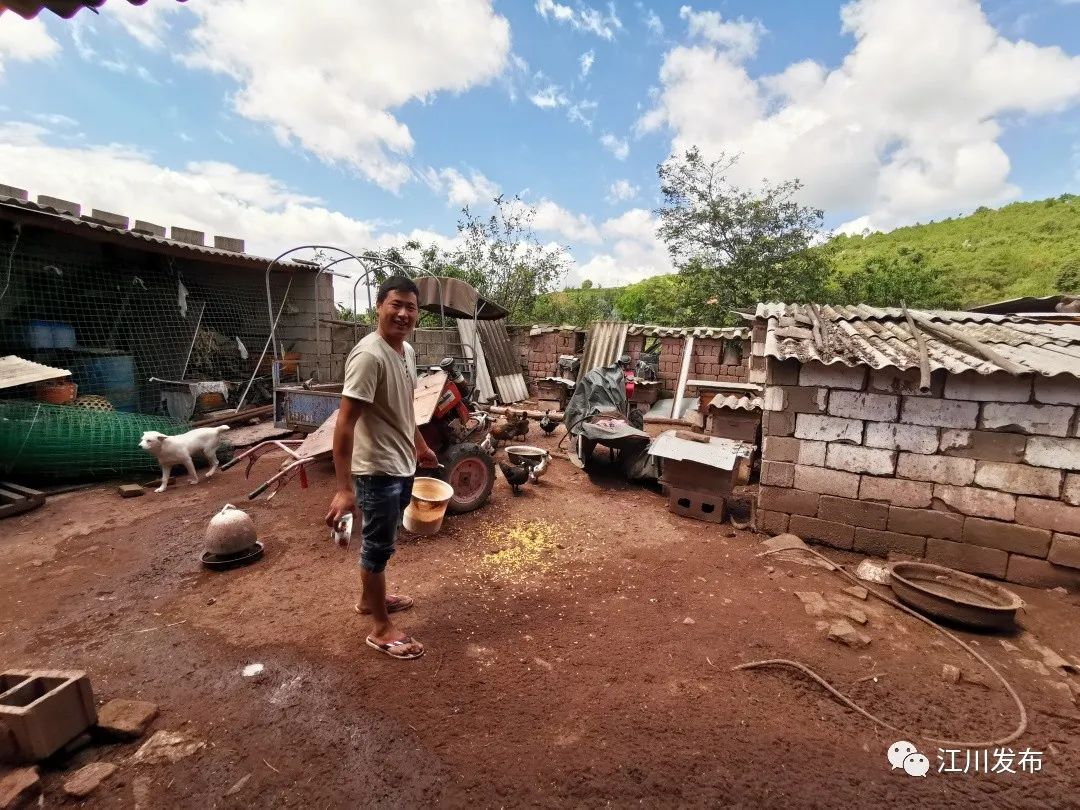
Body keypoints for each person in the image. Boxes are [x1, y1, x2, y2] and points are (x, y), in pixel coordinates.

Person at [325, 275, 439, 660]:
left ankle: (367, 599)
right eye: (396, 305)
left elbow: (403, 411)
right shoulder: (369, 355)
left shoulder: (404, 352)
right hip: (376, 471)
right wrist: (344, 488)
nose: (404, 314)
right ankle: (381, 627)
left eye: (411, 307)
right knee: (376, 549)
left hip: (401, 464)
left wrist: (421, 447)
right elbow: (345, 422)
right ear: (378, 307)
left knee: (385, 540)